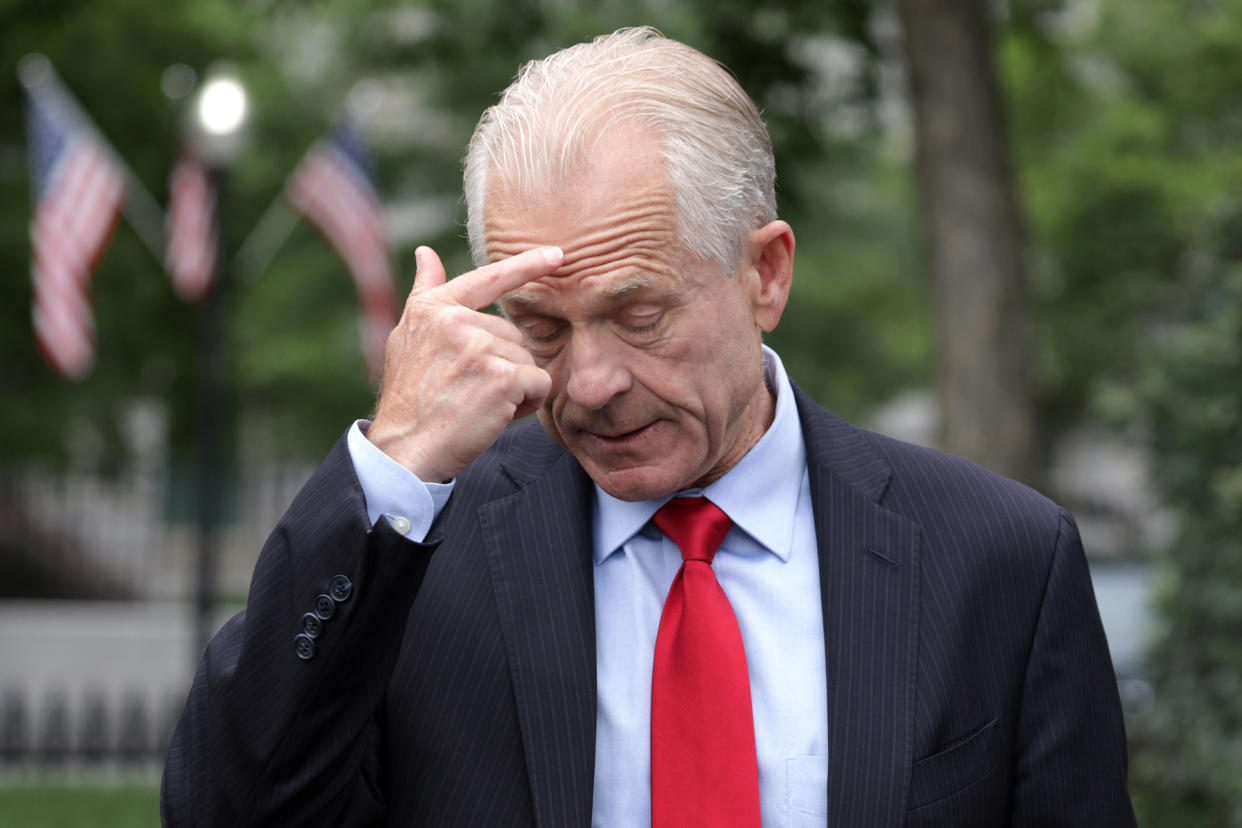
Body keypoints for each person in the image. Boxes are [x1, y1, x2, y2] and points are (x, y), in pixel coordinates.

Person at [161, 28, 1136, 827]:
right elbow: (226, 808)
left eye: (639, 316)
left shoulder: (1002, 558)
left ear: (766, 273)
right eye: (541, 326)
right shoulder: (418, 556)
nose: (588, 384)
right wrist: (393, 469)